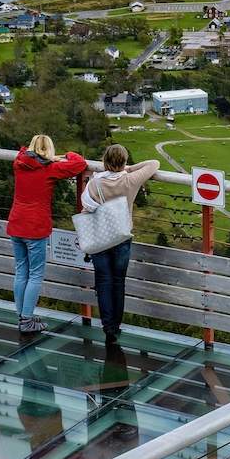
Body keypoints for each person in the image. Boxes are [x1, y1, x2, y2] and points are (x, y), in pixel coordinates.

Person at [6, 134, 86, 333]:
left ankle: (23, 315)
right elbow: (80, 164)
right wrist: (65, 155)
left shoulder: (19, 164)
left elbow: (22, 152)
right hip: (36, 227)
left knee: (21, 270)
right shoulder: (50, 169)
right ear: (49, 150)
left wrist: (46, 158)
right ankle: (26, 321)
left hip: (16, 223)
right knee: (35, 275)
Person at [79, 144, 159, 343]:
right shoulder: (130, 180)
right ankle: (116, 324)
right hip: (122, 237)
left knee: (104, 283)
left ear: (105, 161)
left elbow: (86, 209)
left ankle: (108, 328)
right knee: (118, 283)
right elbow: (154, 163)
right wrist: (128, 169)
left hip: (99, 238)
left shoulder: (94, 183)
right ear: (123, 162)